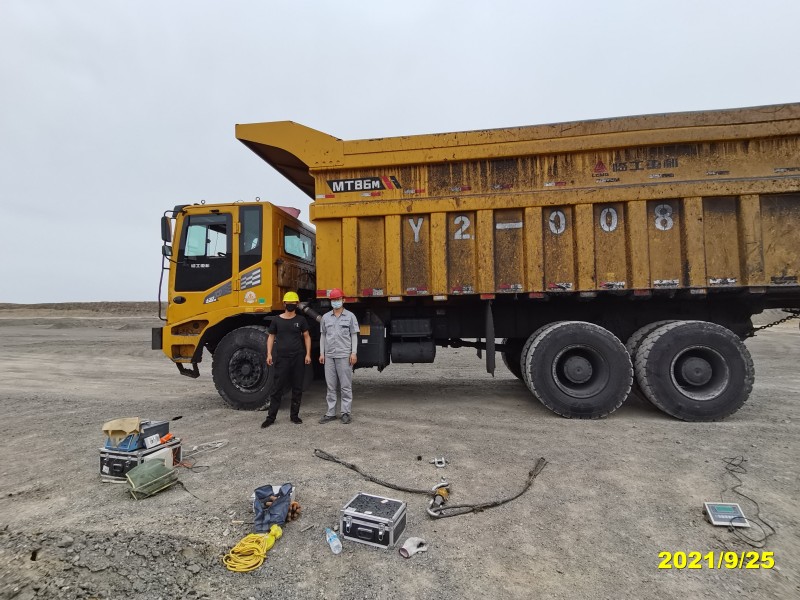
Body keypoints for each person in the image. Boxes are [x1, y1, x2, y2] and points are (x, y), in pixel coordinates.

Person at [261, 291, 311, 428]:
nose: (290, 305)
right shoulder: (276, 320)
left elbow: (307, 336)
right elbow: (271, 337)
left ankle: (294, 416)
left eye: (293, 303)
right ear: (284, 304)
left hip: (298, 357)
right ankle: (271, 417)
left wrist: (307, 354)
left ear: (297, 304)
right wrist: (269, 354)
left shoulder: (301, 320)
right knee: (277, 388)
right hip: (282, 358)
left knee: (297, 387)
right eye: (288, 303)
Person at [318, 288, 359, 424]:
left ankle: (345, 413)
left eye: (338, 299)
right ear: (330, 301)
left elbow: (354, 335)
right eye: (333, 300)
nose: (336, 302)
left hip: (344, 355)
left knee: (345, 386)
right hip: (329, 355)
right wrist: (322, 353)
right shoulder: (325, 317)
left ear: (343, 300)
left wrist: (353, 353)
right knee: (331, 386)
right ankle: (330, 413)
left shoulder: (350, 316)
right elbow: (323, 336)